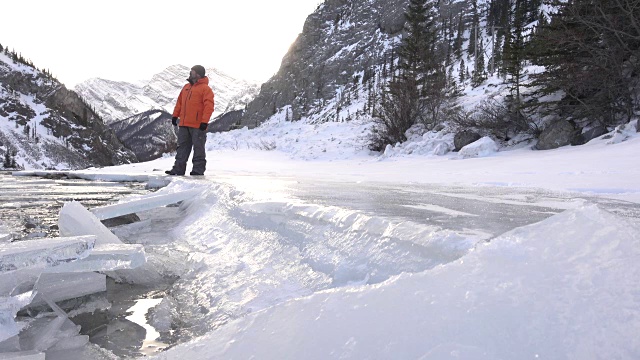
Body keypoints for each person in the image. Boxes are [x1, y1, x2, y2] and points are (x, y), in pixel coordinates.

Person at [165, 65, 215, 176]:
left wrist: (204, 122)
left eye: (192, 71)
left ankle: (197, 171)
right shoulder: (186, 87)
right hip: (184, 124)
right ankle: (178, 170)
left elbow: (209, 107)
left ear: (198, 74)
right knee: (182, 148)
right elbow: (179, 103)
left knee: (198, 149)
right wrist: (175, 116)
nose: (190, 73)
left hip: (198, 125)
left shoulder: (206, 89)